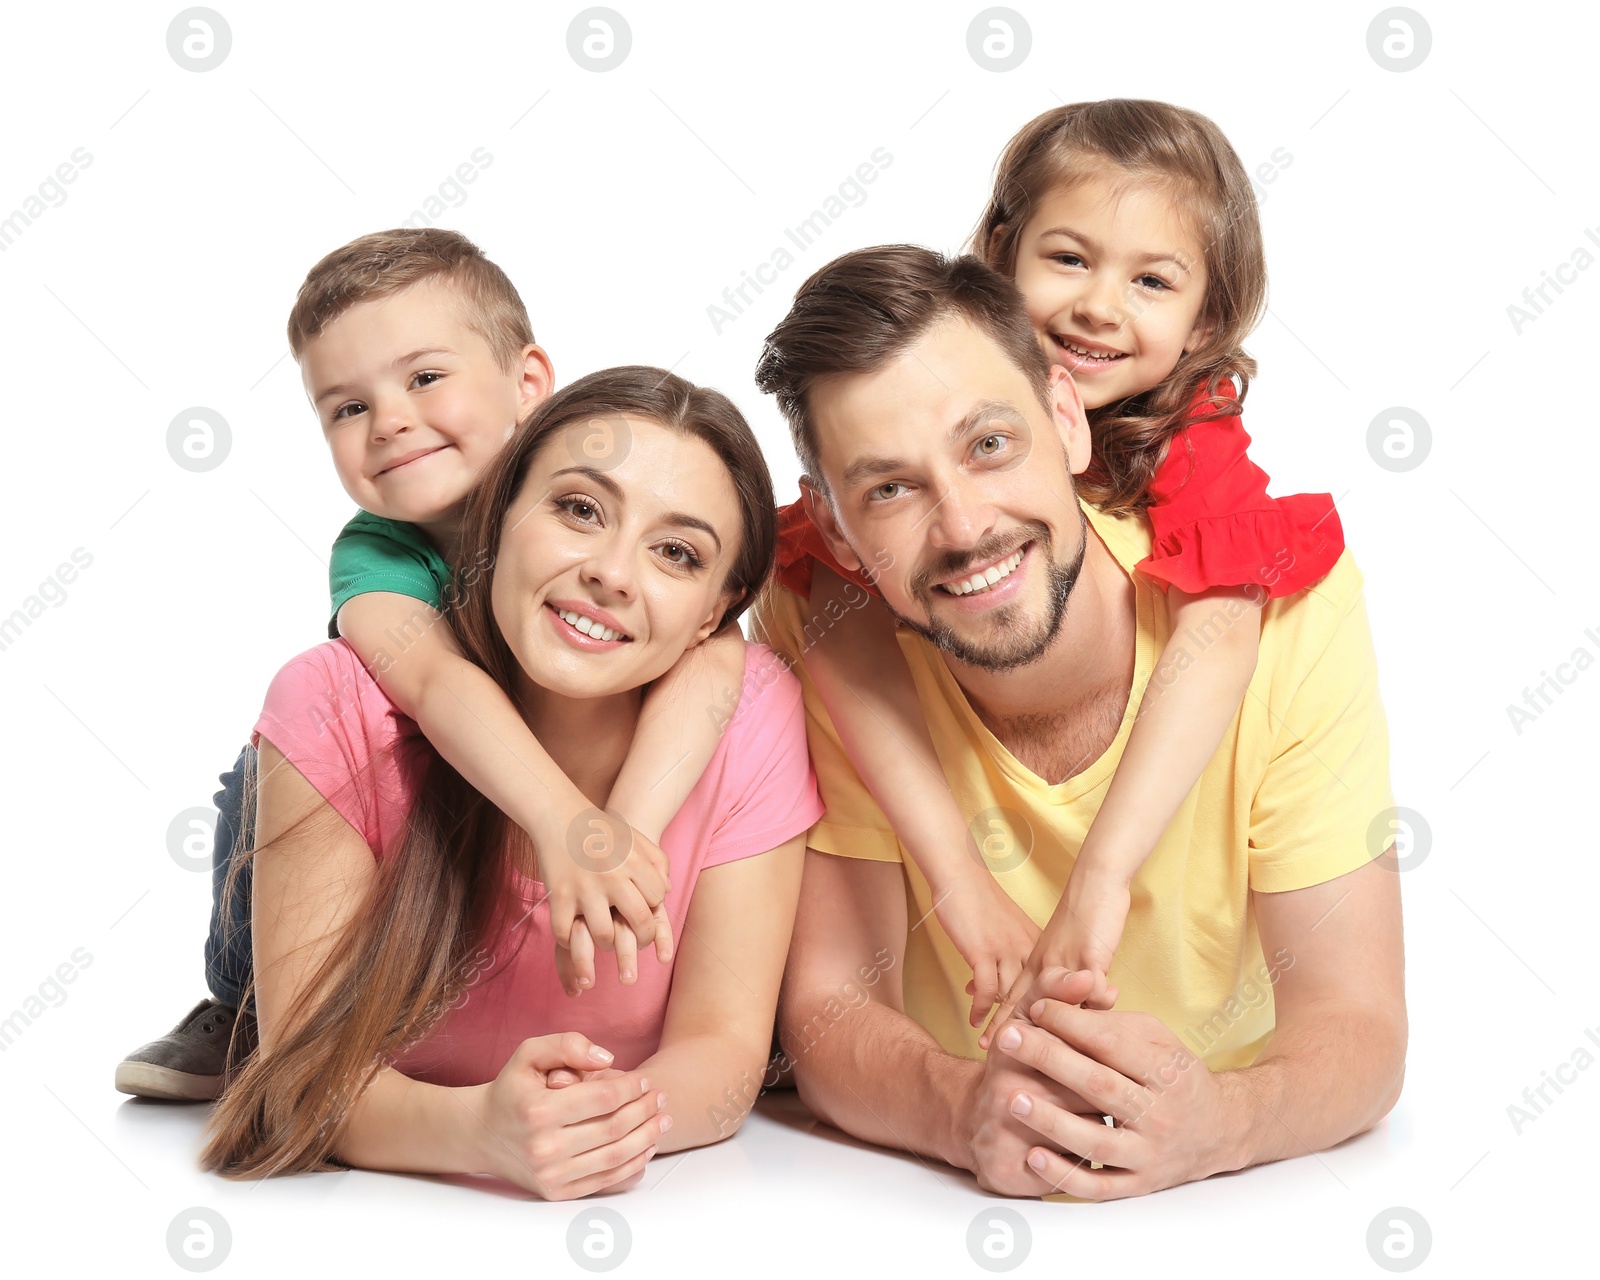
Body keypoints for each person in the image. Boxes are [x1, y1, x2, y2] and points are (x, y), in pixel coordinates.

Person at [751, 243, 1405, 1199]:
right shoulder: (820, 623)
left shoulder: (1291, 611)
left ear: (1065, 418)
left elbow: (1361, 1024)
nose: (965, 527)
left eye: (988, 445)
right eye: (890, 488)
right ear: (837, 528)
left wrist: (1222, 1125)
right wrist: (959, 1111)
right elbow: (833, 1009)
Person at [117, 230, 746, 1100]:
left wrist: (618, 831)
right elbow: (439, 683)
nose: (391, 422)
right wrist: (565, 821)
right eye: (346, 408)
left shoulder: (598, 496)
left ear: (529, 385)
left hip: (561, 780)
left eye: (423, 378)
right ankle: (246, 1001)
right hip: (415, 787)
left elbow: (718, 656)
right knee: (259, 781)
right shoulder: (376, 558)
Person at [769, 100, 1342, 1032]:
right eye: (1069, 259)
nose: (1097, 307)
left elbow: (1224, 626)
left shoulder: (1196, 433)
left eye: (1153, 281)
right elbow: (830, 604)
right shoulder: (930, 385)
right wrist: (953, 874)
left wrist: (1102, 876)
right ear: (999, 255)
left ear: (1206, 322)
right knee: (826, 571)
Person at [200, 367, 821, 1197]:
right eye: (578, 508)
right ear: (499, 520)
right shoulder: (334, 700)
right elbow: (297, 1085)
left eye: (676, 553)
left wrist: (600, 1123)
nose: (612, 572)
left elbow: (724, 1054)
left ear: (716, 610)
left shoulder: (753, 714)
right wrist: (479, 1134)